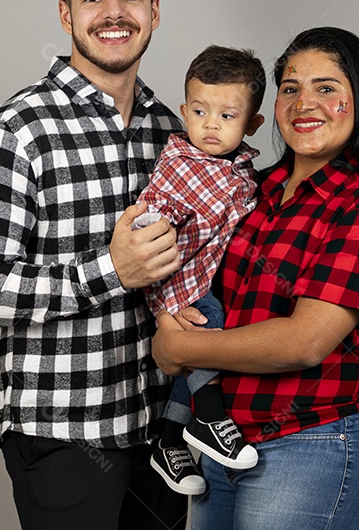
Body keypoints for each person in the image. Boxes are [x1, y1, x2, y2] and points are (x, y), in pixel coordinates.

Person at [0, 0, 190, 530]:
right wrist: (110, 271)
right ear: (65, 13)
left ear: (155, 10)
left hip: (164, 435)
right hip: (65, 432)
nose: (114, 14)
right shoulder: (15, 131)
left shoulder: (176, 134)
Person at [153, 27, 359, 530]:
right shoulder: (252, 191)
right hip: (221, 445)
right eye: (291, 88)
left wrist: (179, 350)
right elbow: (196, 277)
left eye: (327, 88)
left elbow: (305, 341)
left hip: (312, 443)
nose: (305, 102)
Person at [135, 46, 266, 496]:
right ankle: (210, 418)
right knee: (208, 335)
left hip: (207, 277)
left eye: (227, 115)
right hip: (177, 278)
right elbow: (153, 213)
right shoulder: (182, 162)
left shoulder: (242, 170)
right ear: (184, 110)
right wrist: (152, 229)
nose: (210, 124)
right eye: (199, 111)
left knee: (193, 357)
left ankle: (169, 443)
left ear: (251, 126)